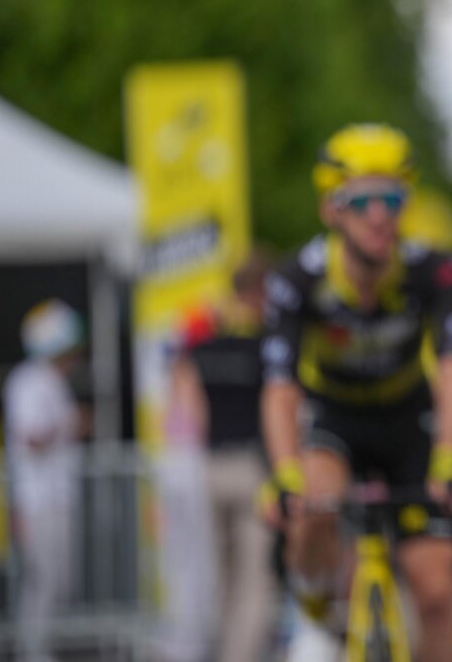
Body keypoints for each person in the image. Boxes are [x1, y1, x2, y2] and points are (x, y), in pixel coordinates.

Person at [260, 124, 452, 662]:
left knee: (437, 590)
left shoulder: (435, 270)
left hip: (409, 421)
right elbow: (281, 386)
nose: (379, 215)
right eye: (360, 201)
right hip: (335, 418)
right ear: (330, 210)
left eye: (392, 198)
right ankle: (315, 613)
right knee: (313, 504)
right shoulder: (297, 279)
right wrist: (284, 472)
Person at [166, 254, 278, 662]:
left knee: (223, 576)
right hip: (251, 468)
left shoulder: (201, 344)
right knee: (255, 579)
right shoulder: (266, 344)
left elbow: (187, 405)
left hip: (210, 466)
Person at [4, 300, 88, 662]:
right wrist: (71, 424)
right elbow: (32, 437)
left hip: (58, 497)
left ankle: (43, 648)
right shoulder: (28, 381)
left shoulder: (51, 382)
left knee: (60, 580)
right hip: (38, 500)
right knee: (43, 580)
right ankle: (33, 652)